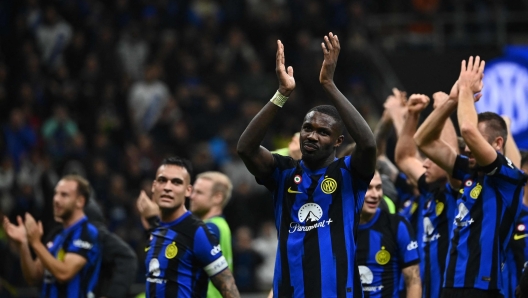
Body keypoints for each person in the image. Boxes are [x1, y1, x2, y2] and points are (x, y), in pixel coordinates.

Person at [237, 32, 377, 297]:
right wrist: (281, 94)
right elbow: (245, 148)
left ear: (338, 141)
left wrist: (329, 84)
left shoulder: (349, 173)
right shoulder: (283, 172)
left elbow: (368, 145)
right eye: (307, 128)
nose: (312, 135)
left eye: (323, 132)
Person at [414, 56, 526, 297]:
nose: (466, 148)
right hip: (450, 287)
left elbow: (467, 129)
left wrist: (465, 89)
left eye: (474, 143)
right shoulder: (469, 170)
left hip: (482, 288)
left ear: (498, 143)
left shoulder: (509, 176)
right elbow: (422, 140)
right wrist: (451, 102)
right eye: (465, 146)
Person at [144, 156, 239, 298]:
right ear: (154, 186)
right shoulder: (157, 229)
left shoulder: (197, 231)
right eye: (162, 180)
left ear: (188, 191)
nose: (167, 187)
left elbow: (228, 285)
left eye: (176, 182)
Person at [394, 92, 459, 298]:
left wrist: (445, 109)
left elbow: (451, 158)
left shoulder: (459, 192)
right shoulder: (430, 189)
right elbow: (404, 158)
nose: (424, 163)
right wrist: (413, 115)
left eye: (431, 157)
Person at [2, 174, 102, 298]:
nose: (56, 199)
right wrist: (23, 244)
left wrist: (36, 243)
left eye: (64, 195)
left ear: (80, 201)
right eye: (56, 194)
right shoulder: (56, 235)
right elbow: (33, 277)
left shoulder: (87, 233)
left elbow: (64, 273)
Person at [356, 171, 421, 298]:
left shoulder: (397, 225)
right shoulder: (338, 227)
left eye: (379, 187)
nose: (375, 195)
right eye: (368, 188)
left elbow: (413, 282)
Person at [189, 171, 234, 298]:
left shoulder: (209, 228)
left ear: (217, 197)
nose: (192, 196)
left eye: (199, 192)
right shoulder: (221, 225)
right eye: (193, 191)